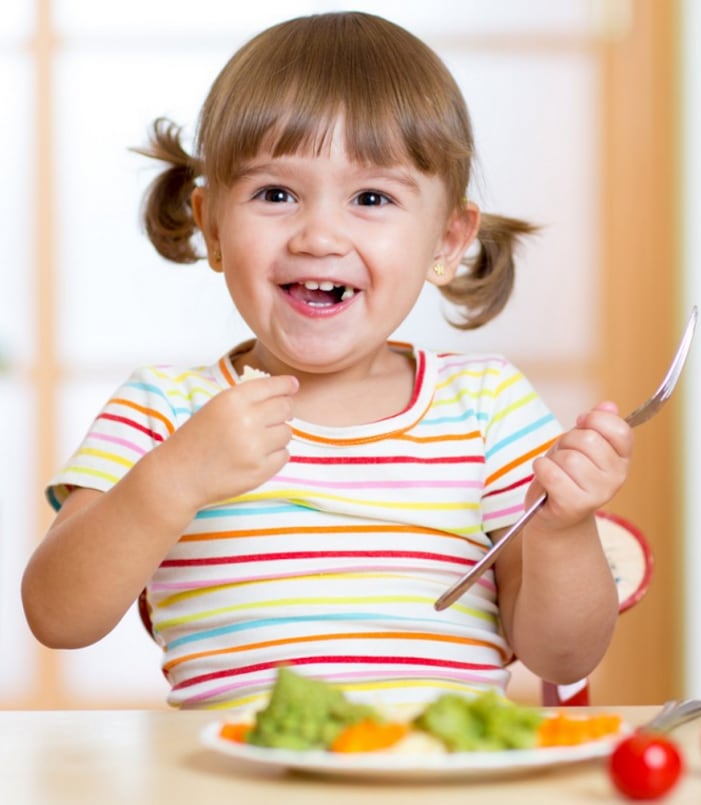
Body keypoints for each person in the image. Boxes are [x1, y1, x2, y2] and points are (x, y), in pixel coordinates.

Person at [21, 11, 632, 711]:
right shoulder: (163, 409)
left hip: (436, 780)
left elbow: (564, 654)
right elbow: (57, 615)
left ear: (448, 238)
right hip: (239, 781)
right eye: (275, 194)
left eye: (372, 197)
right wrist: (173, 477)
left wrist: (563, 529)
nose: (318, 235)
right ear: (212, 223)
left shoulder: (488, 404)